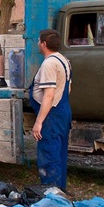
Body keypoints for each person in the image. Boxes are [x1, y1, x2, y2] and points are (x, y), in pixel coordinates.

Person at [29, 29, 72, 190]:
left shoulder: (49, 63)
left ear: (44, 44)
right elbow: (68, 89)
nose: (38, 44)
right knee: (60, 154)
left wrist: (39, 122)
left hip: (51, 115)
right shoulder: (64, 60)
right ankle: (60, 193)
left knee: (49, 156)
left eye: (39, 41)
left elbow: (49, 95)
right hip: (63, 111)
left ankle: (51, 197)